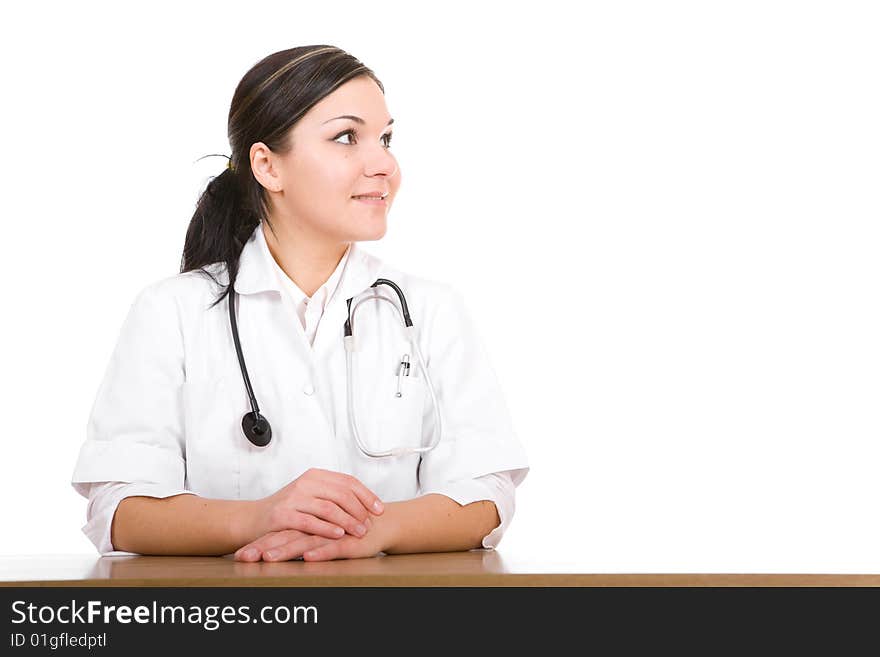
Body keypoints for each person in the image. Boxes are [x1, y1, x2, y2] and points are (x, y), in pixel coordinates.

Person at [70, 45, 529, 562]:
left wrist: (372, 531)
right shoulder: (170, 312)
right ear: (267, 165)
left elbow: (486, 494)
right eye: (346, 137)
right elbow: (119, 509)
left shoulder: (430, 310)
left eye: (385, 138)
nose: (383, 163)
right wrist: (258, 517)